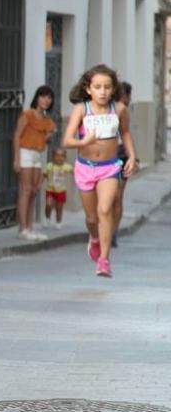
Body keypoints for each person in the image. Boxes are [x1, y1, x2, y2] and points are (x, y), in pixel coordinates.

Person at [62, 65, 137, 277]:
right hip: (86, 168)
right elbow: (67, 140)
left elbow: (125, 133)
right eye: (97, 87)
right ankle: (94, 238)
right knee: (92, 218)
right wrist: (83, 141)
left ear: (113, 89)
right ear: (88, 89)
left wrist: (131, 156)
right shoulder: (81, 110)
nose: (102, 91)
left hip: (110, 167)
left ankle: (104, 260)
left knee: (105, 210)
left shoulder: (119, 109)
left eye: (107, 87)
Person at [13, 85, 56, 241]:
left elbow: (46, 141)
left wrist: (48, 137)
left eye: (49, 97)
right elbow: (17, 135)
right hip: (26, 152)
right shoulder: (27, 114)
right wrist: (16, 159)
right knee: (25, 190)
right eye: (43, 96)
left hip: (38, 154)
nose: (46, 100)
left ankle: (29, 227)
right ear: (37, 98)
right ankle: (22, 228)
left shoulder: (48, 121)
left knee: (33, 191)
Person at [112, 81, 135, 246]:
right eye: (128, 95)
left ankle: (110, 231)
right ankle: (112, 231)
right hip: (116, 153)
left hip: (117, 154)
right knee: (117, 196)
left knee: (114, 196)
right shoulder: (119, 109)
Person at [43, 148, 72, 229]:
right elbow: (44, 175)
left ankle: (58, 222)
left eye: (62, 156)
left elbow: (73, 171)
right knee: (48, 205)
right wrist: (39, 183)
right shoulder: (49, 166)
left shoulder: (66, 166)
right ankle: (47, 218)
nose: (59, 158)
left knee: (59, 208)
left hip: (61, 191)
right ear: (52, 157)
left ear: (65, 158)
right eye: (57, 156)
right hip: (50, 190)